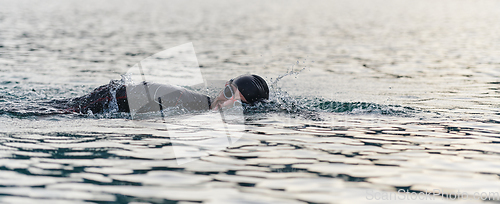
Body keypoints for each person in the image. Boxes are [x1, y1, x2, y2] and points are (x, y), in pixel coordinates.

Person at [60, 74, 269, 115]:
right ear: (224, 85)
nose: (225, 103)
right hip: (114, 97)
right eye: (228, 93)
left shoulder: (202, 109)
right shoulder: (193, 104)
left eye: (238, 105)